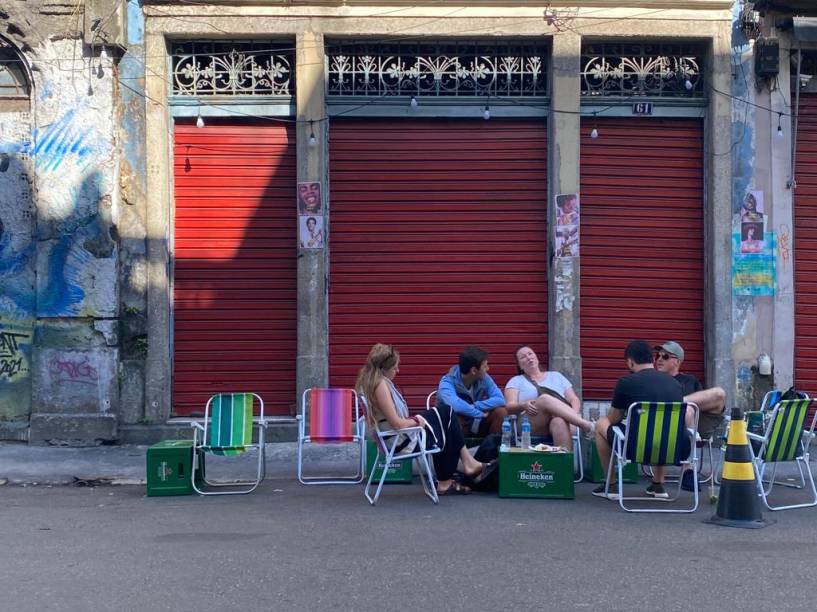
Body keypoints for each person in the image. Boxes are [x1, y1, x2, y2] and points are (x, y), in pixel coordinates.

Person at [356, 343, 494, 495]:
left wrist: (416, 420)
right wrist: (415, 421)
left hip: (394, 437)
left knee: (446, 415)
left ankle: (464, 466)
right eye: (395, 368)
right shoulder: (380, 385)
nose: (398, 370)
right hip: (400, 441)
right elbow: (396, 423)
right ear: (383, 368)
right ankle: (454, 474)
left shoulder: (369, 382)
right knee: (446, 419)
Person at [592, 340, 684, 500]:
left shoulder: (626, 382)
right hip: (673, 449)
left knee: (601, 423)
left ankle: (611, 485)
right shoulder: (675, 384)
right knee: (662, 428)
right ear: (652, 359)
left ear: (630, 361)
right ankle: (658, 485)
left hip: (634, 449)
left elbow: (614, 419)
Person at [654, 340, 727, 491]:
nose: (659, 359)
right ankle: (689, 470)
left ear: (677, 362)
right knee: (688, 410)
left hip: (695, 426)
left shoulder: (690, 380)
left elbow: (703, 405)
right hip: (664, 428)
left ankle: (678, 403)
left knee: (717, 395)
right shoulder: (653, 380)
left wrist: (680, 404)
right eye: (657, 356)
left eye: (665, 356)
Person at [503, 345, 595, 449]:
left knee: (559, 422)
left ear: (536, 357)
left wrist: (572, 414)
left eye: (530, 354)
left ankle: (563, 464)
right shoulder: (516, 381)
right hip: (531, 423)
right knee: (544, 399)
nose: (529, 357)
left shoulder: (556, 376)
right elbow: (509, 406)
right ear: (519, 365)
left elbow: (574, 399)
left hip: (564, 421)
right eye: (523, 357)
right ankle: (587, 426)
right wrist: (523, 405)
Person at [436, 346, 507, 436]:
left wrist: (476, 405)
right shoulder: (447, 381)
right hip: (454, 427)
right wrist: (479, 414)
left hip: (475, 422)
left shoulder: (484, 378)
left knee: (501, 412)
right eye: (485, 366)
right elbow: (456, 406)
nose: (488, 369)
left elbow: (500, 399)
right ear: (474, 370)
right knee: (454, 417)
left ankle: (490, 448)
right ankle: (458, 450)